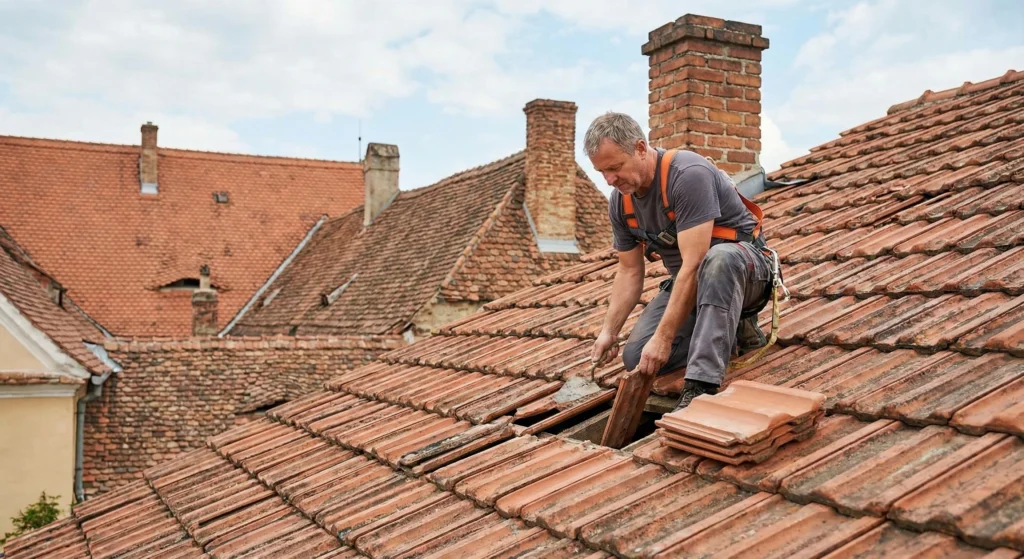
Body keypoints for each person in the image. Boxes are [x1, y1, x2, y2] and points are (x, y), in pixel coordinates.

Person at [585, 111, 772, 411]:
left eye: (615, 167)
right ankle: (726, 327)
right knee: (638, 358)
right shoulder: (621, 202)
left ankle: (701, 386)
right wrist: (609, 331)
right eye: (601, 172)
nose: (609, 180)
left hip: (745, 272)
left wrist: (665, 336)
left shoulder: (687, 175)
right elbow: (629, 271)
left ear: (641, 149)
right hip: (694, 283)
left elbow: (695, 263)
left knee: (718, 258)